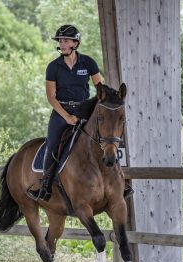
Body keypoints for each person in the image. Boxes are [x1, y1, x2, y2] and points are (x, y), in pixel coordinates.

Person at [27, 25, 133, 201]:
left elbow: (101, 87)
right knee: (53, 144)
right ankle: (45, 186)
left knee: (107, 139)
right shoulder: (53, 67)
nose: (62, 44)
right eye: (60, 41)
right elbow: (51, 97)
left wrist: (113, 99)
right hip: (61, 110)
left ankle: (121, 183)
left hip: (84, 109)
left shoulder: (88, 62)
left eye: (65, 40)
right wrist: (67, 117)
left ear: (75, 43)